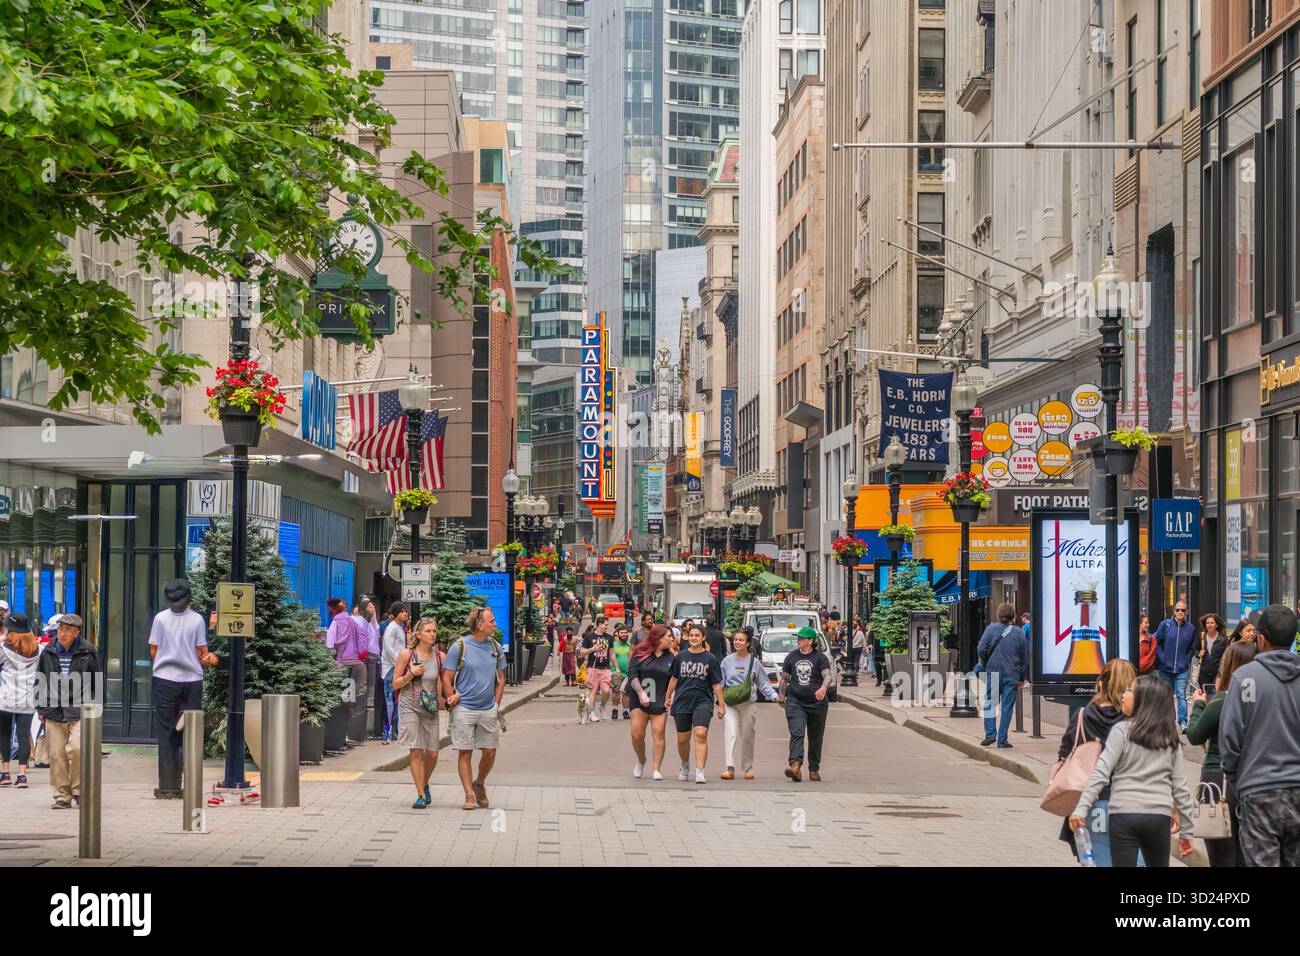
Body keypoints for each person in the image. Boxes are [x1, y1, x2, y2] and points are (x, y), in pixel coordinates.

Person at [1069, 676, 1197, 867]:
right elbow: (1180, 787)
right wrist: (1187, 831)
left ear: (1143, 700)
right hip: (1158, 816)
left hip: (1123, 813)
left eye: (1129, 691)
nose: (1123, 695)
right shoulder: (1169, 738)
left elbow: (1101, 772)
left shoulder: (1121, 731)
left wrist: (1081, 808)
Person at [1219, 603, 1300, 867]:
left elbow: (1229, 741)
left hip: (1258, 790)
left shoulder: (1244, 678)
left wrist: (1238, 782)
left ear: (1261, 639)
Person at [1055, 659, 1137, 867]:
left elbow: (1065, 752)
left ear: (1101, 683)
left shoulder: (1083, 715)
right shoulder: (1135, 721)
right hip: (1128, 801)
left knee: (1095, 861)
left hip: (1090, 801)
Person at [1187, 640, 1257, 867]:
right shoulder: (1260, 700)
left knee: (1221, 855)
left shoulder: (1220, 701)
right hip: (1251, 779)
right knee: (1246, 853)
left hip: (1217, 780)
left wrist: (1198, 705)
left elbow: (1195, 735)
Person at [148, 578, 218, 799]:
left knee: (166, 733)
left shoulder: (160, 619)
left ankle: (168, 786)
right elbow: (202, 652)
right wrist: (211, 660)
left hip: (164, 680)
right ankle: (191, 783)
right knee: (191, 733)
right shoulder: (197, 620)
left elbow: (153, 651)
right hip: (192, 681)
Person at [441, 606, 507, 811]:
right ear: (480, 625)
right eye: (491, 621)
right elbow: (446, 676)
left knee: (489, 751)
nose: (495, 624)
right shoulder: (460, 647)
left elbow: (501, 678)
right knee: (465, 752)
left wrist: (496, 704)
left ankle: (479, 783)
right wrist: (451, 696)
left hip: (487, 707)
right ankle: (469, 795)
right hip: (464, 708)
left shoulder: (495, 647)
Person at [35, 614, 98, 810]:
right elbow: (40, 677)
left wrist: (94, 706)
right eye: (60, 629)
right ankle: (62, 794)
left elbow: (96, 680)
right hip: (54, 708)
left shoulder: (87, 650)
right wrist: (40, 707)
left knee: (79, 749)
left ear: (76, 633)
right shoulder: (49, 650)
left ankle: (79, 791)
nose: (61, 634)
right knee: (56, 754)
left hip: (79, 707)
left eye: (67, 631)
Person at [392, 616, 444, 809]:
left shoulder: (440, 656)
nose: (432, 634)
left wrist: (443, 699)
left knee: (432, 754)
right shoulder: (407, 655)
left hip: (429, 707)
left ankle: (425, 783)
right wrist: (410, 674)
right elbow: (395, 683)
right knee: (416, 750)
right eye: (429, 631)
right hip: (409, 705)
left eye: (434, 631)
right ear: (418, 634)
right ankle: (421, 794)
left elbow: (441, 680)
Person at [665, 623, 725, 784]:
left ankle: (700, 771)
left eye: (697, 635)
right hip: (682, 701)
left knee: (700, 734)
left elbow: (716, 684)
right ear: (687, 636)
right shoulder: (680, 656)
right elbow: (674, 678)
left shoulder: (710, 659)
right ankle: (685, 765)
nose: (693, 638)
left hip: (703, 701)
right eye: (691, 635)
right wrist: (668, 696)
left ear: (703, 637)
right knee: (683, 739)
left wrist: (721, 704)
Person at [718, 627, 779, 780]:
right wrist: (719, 703)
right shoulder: (726, 661)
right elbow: (720, 684)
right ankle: (729, 767)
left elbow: (763, 683)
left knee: (747, 735)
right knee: (730, 733)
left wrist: (775, 696)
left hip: (748, 703)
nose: (737, 642)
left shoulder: (755, 662)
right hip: (730, 702)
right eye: (736, 639)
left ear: (748, 644)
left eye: (741, 640)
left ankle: (748, 768)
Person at [779, 626, 832, 782]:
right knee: (797, 733)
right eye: (798, 638)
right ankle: (795, 765)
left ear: (810, 641)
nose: (799, 640)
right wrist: (782, 696)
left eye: (802, 638)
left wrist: (823, 688)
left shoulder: (820, 658)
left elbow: (828, 676)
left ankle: (814, 768)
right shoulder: (791, 657)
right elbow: (784, 679)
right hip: (795, 701)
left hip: (818, 704)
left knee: (816, 737)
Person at [977, 603, 1028, 749]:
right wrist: (1021, 677)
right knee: (1007, 708)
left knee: (990, 704)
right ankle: (1002, 739)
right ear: (1014, 616)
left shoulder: (990, 628)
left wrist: (985, 661)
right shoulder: (1019, 633)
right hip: (1012, 674)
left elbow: (981, 648)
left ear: (999, 615)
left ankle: (990, 734)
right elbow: (1024, 657)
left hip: (993, 671)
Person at [627, 624, 674, 780]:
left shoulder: (671, 657)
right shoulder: (640, 653)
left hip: (660, 698)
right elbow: (632, 675)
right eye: (669, 636)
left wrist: (671, 696)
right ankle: (641, 760)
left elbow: (674, 679)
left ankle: (656, 769)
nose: (671, 639)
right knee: (636, 734)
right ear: (659, 637)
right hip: (640, 698)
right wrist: (641, 693)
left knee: (659, 733)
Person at [0, 615, 40, 789]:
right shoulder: (37, 649)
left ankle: (5, 773)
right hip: (27, 698)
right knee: (24, 735)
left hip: (6, 698)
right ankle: (22, 775)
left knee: (4, 735)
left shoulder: (3, 648)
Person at [326, 597, 367, 738]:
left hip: (341, 664)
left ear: (331, 609)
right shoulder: (353, 622)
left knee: (341, 698)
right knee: (358, 696)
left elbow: (330, 645)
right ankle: (355, 733)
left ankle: (340, 733)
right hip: (358, 665)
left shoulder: (335, 623)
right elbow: (363, 640)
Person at [1152, 600, 1196, 730]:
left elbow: (1192, 648)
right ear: (1174, 611)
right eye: (1178, 610)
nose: (1180, 612)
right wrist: (1162, 658)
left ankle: (1183, 723)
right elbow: (1157, 643)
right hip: (1165, 668)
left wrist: (1186, 660)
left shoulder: (1191, 628)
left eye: (1183, 610)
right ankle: (1168, 721)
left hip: (1182, 669)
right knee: (1166, 696)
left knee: (1181, 695)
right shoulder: (1165, 625)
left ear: (1186, 612)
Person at [353, 596, 384, 739]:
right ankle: (365, 728)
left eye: (373, 606)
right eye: (370, 607)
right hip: (366, 658)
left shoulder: (373, 623)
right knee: (366, 691)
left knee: (371, 691)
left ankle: (368, 728)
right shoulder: (362, 623)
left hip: (373, 657)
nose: (373, 609)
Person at [380, 601, 410, 742]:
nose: (405, 613)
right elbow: (388, 648)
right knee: (391, 701)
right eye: (402, 611)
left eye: (406, 611)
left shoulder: (400, 627)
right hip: (391, 669)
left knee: (398, 700)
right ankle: (390, 732)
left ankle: (396, 731)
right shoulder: (392, 628)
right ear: (395, 613)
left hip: (397, 668)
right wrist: (399, 665)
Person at [579, 617, 614, 721]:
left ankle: (602, 706)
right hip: (593, 667)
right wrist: (593, 649)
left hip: (606, 667)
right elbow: (582, 653)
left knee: (606, 690)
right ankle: (591, 712)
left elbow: (612, 654)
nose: (607, 627)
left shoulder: (609, 637)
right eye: (605, 625)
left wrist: (616, 667)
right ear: (599, 624)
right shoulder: (589, 637)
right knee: (593, 691)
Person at [1197, 612, 1229, 692]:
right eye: (1207, 623)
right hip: (1204, 672)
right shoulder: (1201, 637)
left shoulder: (1223, 639)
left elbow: (1226, 655)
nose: (1209, 625)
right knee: (1205, 693)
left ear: (1216, 625)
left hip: (1218, 672)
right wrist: (1198, 653)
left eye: (1212, 622)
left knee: (1215, 693)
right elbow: (1195, 649)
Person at [611, 624, 632, 720]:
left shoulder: (630, 645)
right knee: (616, 691)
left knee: (626, 692)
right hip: (616, 672)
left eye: (625, 633)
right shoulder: (614, 645)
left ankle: (625, 711)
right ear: (617, 634)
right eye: (622, 633)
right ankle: (615, 709)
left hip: (628, 672)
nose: (624, 634)